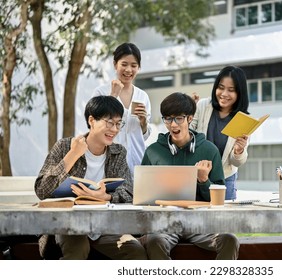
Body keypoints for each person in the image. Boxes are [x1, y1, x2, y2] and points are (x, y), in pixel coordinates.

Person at [34, 95, 147, 260]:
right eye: (109, 123)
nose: (115, 129)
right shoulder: (65, 146)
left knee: (135, 251)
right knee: (78, 249)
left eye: (118, 124)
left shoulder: (118, 152)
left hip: (103, 227)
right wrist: (73, 154)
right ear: (92, 120)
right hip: (68, 225)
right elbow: (42, 190)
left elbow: (128, 190)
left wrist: (106, 196)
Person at [140, 92, 239, 260]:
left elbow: (218, 201)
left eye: (179, 118)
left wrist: (203, 181)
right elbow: (142, 197)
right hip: (166, 223)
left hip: (201, 224)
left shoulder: (209, 150)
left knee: (229, 239)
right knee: (155, 240)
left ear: (190, 118)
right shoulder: (153, 151)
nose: (173, 124)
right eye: (168, 119)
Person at [190, 66, 250, 200]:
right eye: (221, 87)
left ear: (240, 93)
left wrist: (239, 151)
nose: (224, 94)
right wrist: (188, 110)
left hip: (225, 179)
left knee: (224, 219)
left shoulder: (243, 120)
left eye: (231, 90)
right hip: (196, 175)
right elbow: (188, 134)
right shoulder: (203, 105)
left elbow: (236, 162)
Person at [94, 42, 152, 177]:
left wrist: (143, 122)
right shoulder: (101, 92)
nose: (128, 70)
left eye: (134, 65)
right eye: (124, 64)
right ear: (115, 65)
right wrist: (113, 96)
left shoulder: (142, 96)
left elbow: (144, 136)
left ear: (139, 67)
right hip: (109, 163)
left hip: (137, 163)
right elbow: (95, 128)